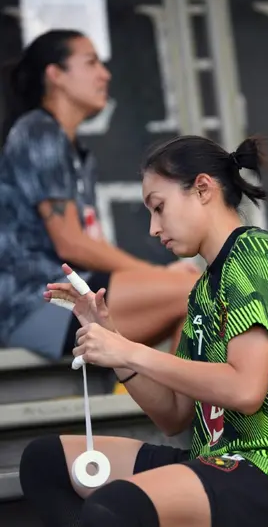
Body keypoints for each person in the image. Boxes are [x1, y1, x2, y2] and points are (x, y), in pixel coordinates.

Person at [19, 134, 268, 527]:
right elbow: (174, 415)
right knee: (45, 462)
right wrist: (112, 338)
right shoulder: (201, 292)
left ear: (202, 189)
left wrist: (129, 352)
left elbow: (245, 390)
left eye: (158, 208)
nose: (152, 227)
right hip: (223, 459)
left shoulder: (258, 254)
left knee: (118, 507)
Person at [0, 29, 199, 360]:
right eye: (91, 63)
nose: (104, 74)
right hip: (32, 303)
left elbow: (90, 239)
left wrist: (154, 277)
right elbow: (71, 243)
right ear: (56, 75)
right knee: (196, 294)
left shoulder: (77, 151)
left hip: (73, 292)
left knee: (199, 304)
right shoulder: (38, 132)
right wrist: (156, 275)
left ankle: (181, 411)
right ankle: (181, 411)